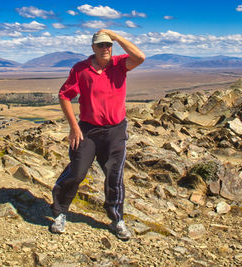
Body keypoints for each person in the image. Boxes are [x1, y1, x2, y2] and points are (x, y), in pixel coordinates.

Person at [50, 29, 145, 240]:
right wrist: (74, 127)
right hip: (88, 130)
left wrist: (116, 36)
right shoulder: (81, 69)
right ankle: (60, 212)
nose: (105, 48)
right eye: (101, 45)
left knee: (114, 176)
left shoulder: (119, 64)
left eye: (108, 45)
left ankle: (116, 220)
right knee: (76, 172)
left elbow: (140, 57)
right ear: (93, 47)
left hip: (115, 131)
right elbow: (65, 95)